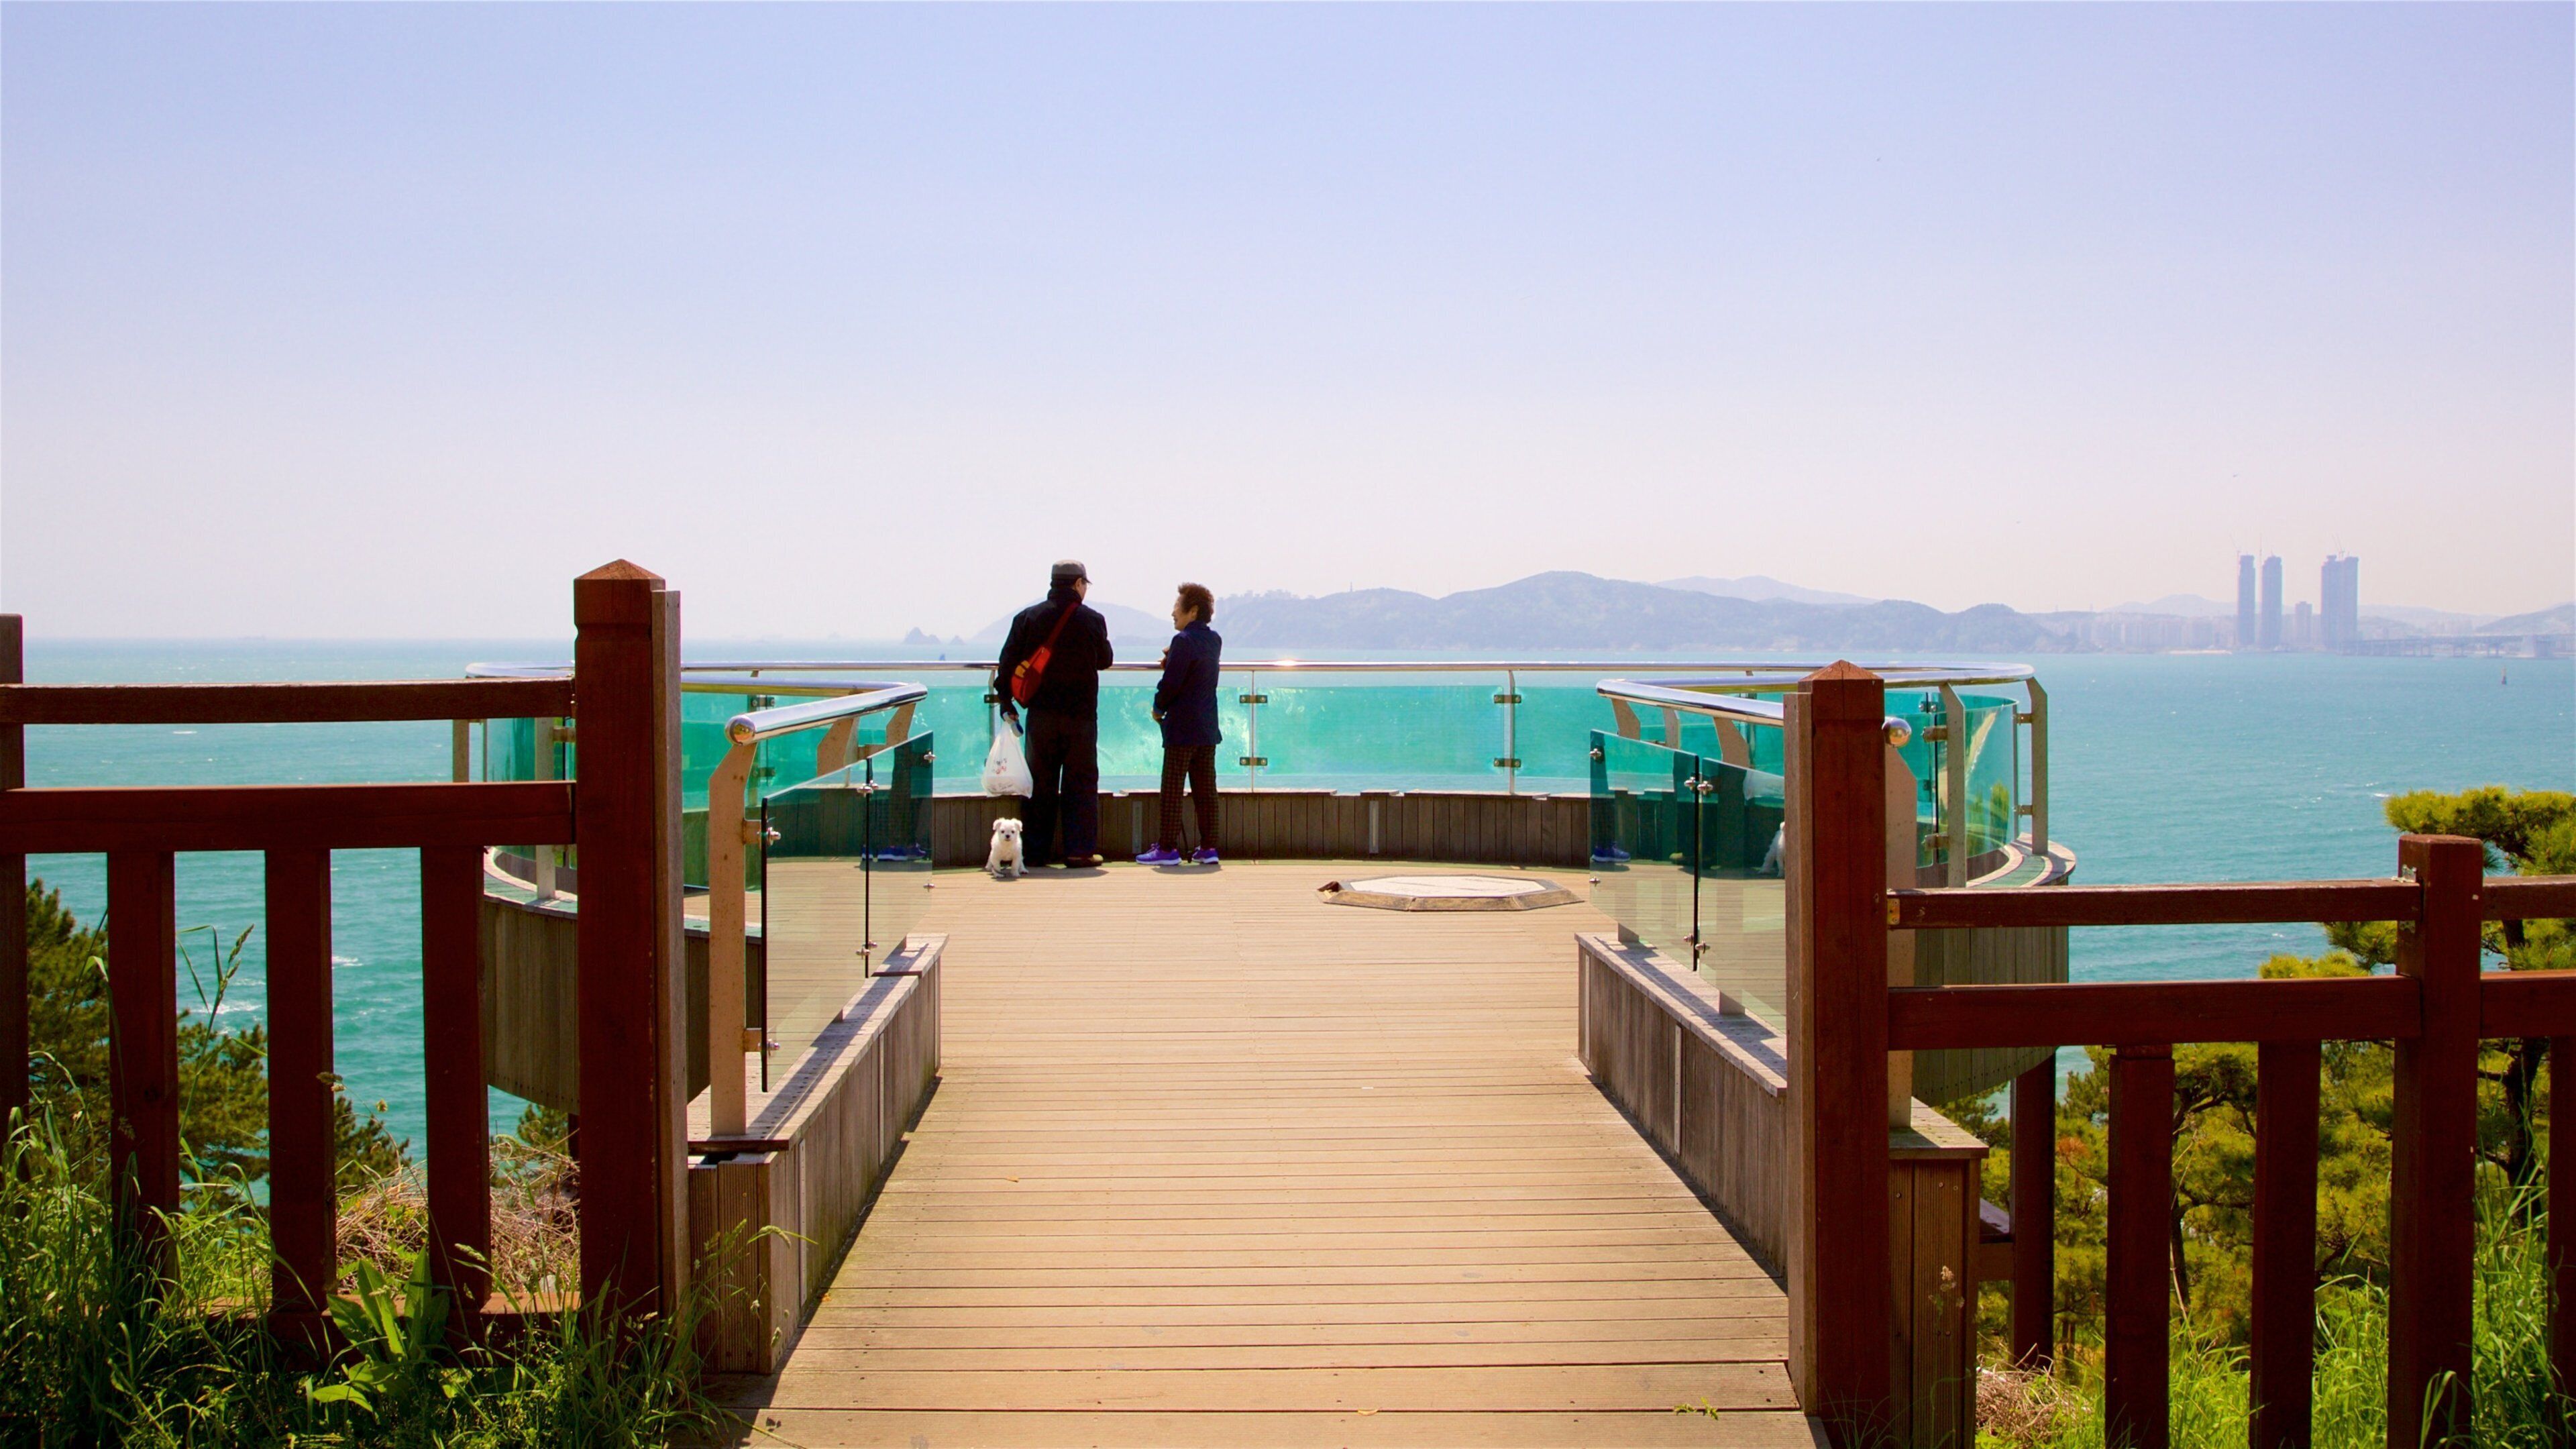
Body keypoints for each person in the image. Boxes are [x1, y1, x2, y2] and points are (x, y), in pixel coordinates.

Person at [994, 560, 1114, 868]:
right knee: (1081, 783)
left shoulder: (1028, 618)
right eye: (1085, 584)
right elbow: (1105, 659)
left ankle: (1034, 852)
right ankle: (1079, 852)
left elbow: (1007, 665)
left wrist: (1006, 703)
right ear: (1077, 584)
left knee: (1040, 783)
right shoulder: (1092, 620)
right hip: (1081, 716)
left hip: (1042, 715)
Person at [1137, 583, 1222, 866]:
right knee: (1205, 789)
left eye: (1177, 606)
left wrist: (1158, 708)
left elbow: (1172, 683)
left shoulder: (1182, 642)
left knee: (1173, 788)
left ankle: (1167, 848)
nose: (1173, 612)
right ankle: (1209, 847)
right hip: (1207, 726)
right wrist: (1173, 657)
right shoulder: (1214, 640)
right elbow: (1195, 670)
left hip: (1182, 728)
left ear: (1192, 611)